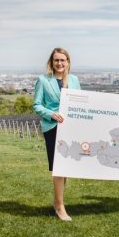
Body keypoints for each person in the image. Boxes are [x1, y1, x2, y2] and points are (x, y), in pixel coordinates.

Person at [33, 47, 80, 221]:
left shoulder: (75, 80)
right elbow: (37, 105)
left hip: (70, 129)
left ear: (68, 62)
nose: (59, 63)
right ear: (51, 63)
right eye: (56, 60)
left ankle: (57, 201)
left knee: (65, 167)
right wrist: (51, 114)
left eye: (63, 60)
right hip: (53, 128)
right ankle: (60, 207)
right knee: (59, 168)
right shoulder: (43, 80)